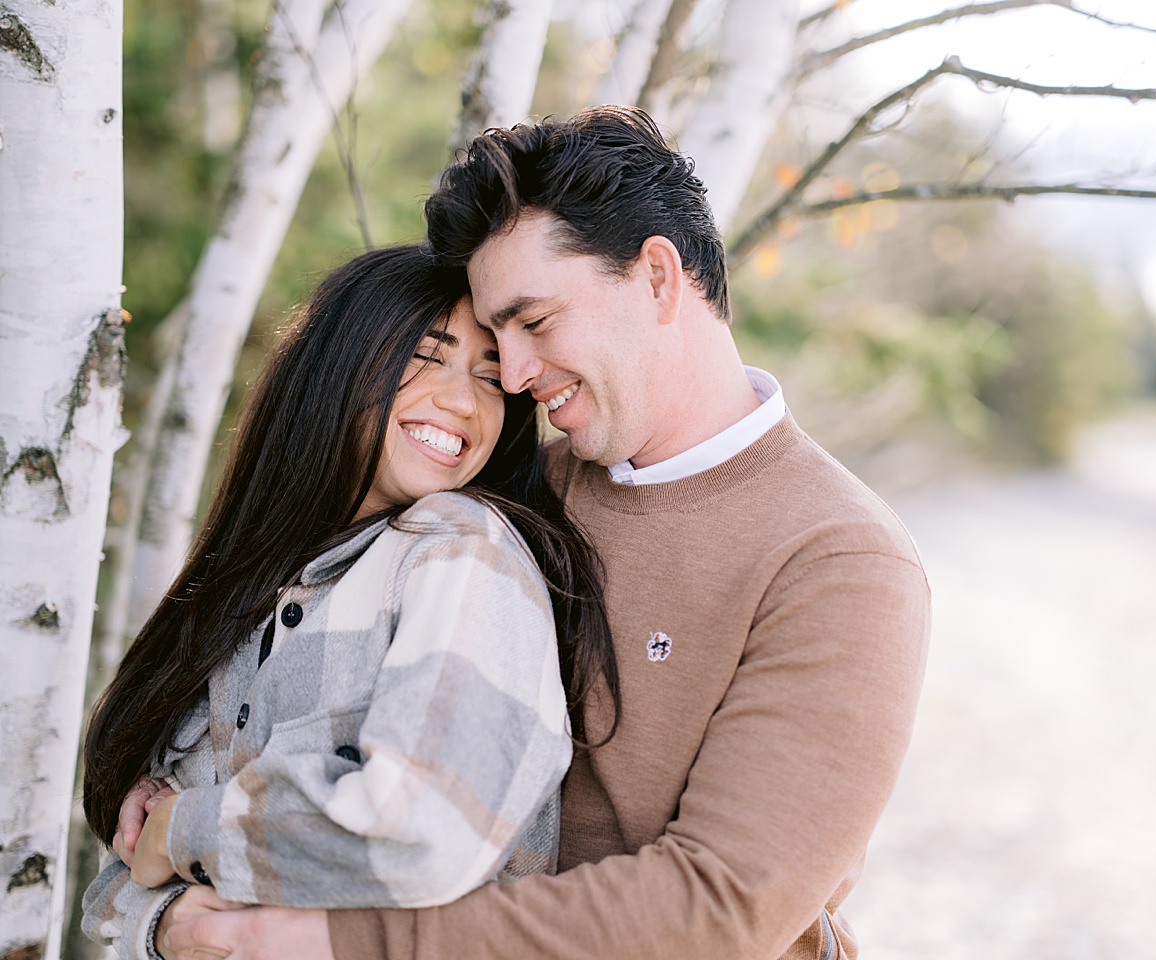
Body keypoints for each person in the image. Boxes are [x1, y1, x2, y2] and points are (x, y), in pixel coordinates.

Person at [160, 105, 932, 960]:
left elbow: (717, 909)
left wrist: (332, 941)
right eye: (497, 340)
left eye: (534, 322)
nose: (515, 378)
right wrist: (180, 817)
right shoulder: (514, 486)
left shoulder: (841, 560)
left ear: (658, 277)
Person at [79, 245, 619, 959]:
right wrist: (167, 923)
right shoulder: (244, 589)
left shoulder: (461, 548)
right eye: (427, 356)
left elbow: (424, 831)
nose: (464, 401)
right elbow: (113, 890)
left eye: (491, 380)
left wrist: (182, 834)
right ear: (340, 361)